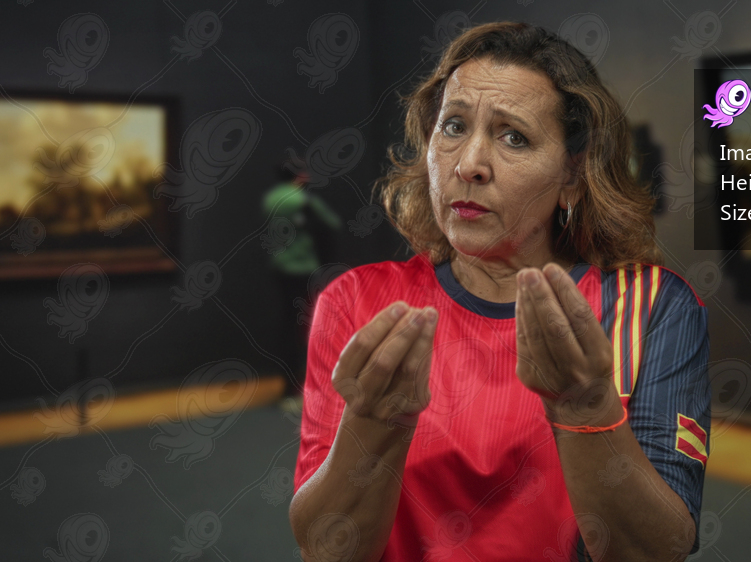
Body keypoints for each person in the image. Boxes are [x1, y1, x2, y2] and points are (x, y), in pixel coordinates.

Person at [289, 21, 710, 562]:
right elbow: (326, 549)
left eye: (514, 137)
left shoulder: (651, 307)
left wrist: (586, 410)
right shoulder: (356, 301)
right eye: (454, 126)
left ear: (573, 174)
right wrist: (373, 426)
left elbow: (659, 549)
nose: (468, 165)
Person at [262, 167, 344, 396]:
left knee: (287, 324)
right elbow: (333, 223)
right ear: (298, 177)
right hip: (304, 270)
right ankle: (312, 380)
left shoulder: (270, 199)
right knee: (309, 326)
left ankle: (289, 382)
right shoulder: (303, 200)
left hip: (280, 268)